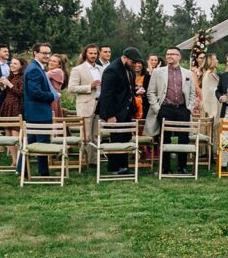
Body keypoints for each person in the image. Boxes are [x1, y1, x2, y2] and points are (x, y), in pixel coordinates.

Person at [145, 47, 196, 174]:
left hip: (182, 109)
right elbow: (151, 92)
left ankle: (182, 166)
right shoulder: (158, 72)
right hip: (165, 109)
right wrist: (158, 109)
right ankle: (165, 167)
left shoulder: (187, 73)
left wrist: (189, 108)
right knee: (164, 138)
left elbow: (192, 93)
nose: (169, 56)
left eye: (173, 54)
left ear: (179, 57)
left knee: (183, 138)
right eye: (167, 54)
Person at [97, 47, 142, 176]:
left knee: (125, 138)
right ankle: (113, 168)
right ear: (125, 58)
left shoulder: (129, 70)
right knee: (116, 139)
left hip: (126, 110)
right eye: (133, 62)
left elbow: (128, 89)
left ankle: (123, 167)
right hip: (115, 112)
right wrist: (110, 115)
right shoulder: (112, 70)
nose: (135, 65)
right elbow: (107, 95)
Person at [22, 42, 59, 177]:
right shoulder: (34, 69)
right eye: (43, 53)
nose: (47, 55)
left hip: (35, 112)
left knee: (30, 142)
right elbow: (34, 92)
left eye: (48, 53)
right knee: (41, 143)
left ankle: (22, 170)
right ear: (35, 53)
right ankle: (43, 172)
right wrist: (52, 96)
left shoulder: (36, 67)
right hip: (39, 113)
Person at [67, 44, 102, 156]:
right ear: (85, 54)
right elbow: (71, 88)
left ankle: (94, 160)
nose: (93, 55)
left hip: (100, 104)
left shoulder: (100, 69)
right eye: (90, 53)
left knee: (96, 134)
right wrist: (89, 87)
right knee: (86, 135)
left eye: (95, 53)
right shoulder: (78, 69)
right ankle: (85, 160)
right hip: (85, 105)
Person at [0, 56, 26, 165]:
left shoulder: (23, 77)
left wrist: (8, 84)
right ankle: (14, 160)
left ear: (21, 66)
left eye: (15, 63)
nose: (12, 65)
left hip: (16, 106)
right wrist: (2, 86)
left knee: (15, 132)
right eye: (11, 63)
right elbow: (7, 92)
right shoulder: (10, 76)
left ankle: (19, 159)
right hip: (7, 105)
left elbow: (20, 93)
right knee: (8, 132)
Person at [200, 53, 220, 123]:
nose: (217, 61)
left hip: (207, 106)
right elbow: (213, 91)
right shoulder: (210, 74)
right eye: (215, 59)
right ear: (210, 61)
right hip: (212, 108)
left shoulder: (206, 73)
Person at [46, 53, 66, 118]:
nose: (51, 62)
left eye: (54, 61)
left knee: (52, 117)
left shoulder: (58, 71)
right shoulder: (51, 71)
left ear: (59, 65)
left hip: (52, 98)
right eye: (50, 60)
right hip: (52, 97)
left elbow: (41, 76)